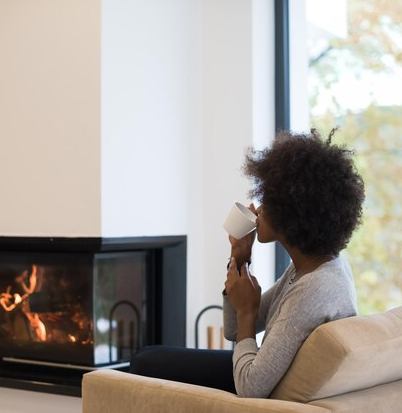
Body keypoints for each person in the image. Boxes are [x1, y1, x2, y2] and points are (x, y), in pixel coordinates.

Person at [130, 129, 365, 398]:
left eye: (267, 200)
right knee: (147, 356)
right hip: (263, 372)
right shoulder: (316, 266)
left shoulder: (312, 289)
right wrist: (240, 258)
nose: (259, 208)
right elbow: (234, 331)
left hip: (259, 384)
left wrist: (246, 312)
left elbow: (250, 387)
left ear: (291, 213)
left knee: (143, 363)